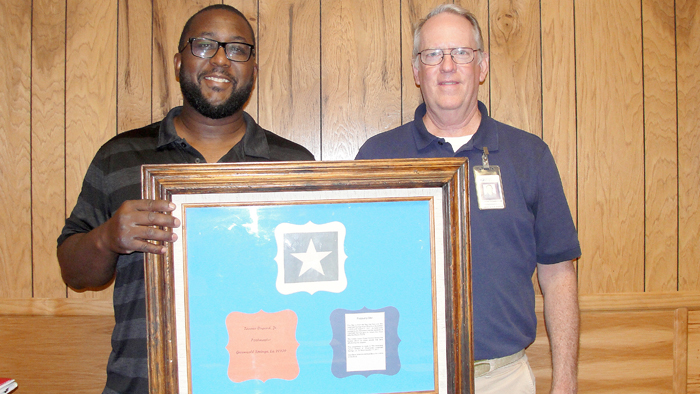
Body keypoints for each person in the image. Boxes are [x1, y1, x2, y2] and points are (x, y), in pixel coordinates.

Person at [57, 5, 314, 393]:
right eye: (204, 45)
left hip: (264, 381)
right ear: (179, 63)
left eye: (238, 49)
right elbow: (73, 272)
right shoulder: (120, 155)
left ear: (254, 70)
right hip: (144, 383)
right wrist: (107, 238)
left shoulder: (294, 164)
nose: (222, 60)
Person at [356, 4, 580, 394]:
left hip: (504, 378)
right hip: (405, 378)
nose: (447, 66)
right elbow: (357, 272)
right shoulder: (378, 157)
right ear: (415, 70)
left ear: (482, 66)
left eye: (461, 53)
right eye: (432, 54)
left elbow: (559, 274)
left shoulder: (529, 155)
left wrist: (565, 382)